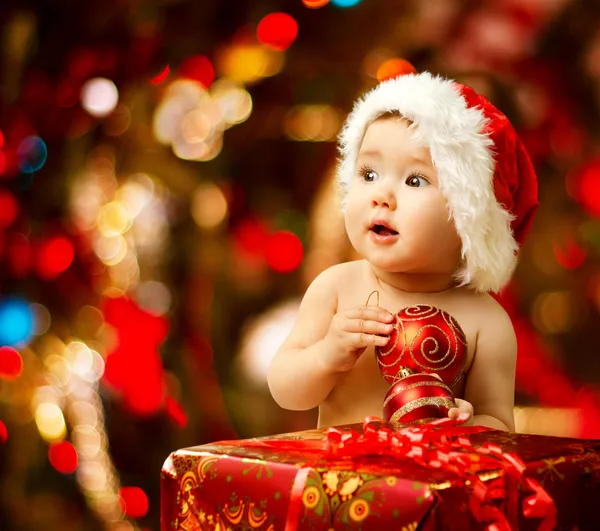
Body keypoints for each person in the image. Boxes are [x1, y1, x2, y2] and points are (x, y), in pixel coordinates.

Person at [267, 72, 538, 431]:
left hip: (428, 483)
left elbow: (500, 423)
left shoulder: (486, 322)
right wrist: (327, 354)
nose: (381, 195)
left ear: (468, 217)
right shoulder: (336, 288)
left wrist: (466, 424)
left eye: (414, 180)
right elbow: (287, 391)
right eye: (368, 173)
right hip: (339, 481)